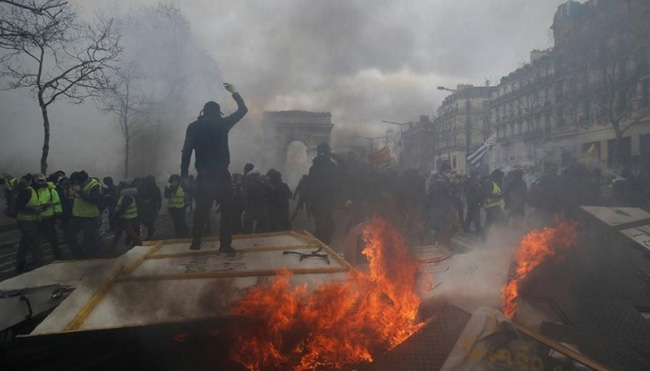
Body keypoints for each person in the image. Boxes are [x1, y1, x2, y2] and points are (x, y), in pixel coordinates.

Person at [181, 82, 248, 252]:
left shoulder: (193, 127)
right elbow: (243, 110)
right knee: (227, 209)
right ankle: (225, 244)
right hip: (221, 174)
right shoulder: (223, 124)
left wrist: (183, 174)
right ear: (218, 112)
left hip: (203, 174)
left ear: (203, 113)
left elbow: (186, 151)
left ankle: (196, 243)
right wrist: (234, 92)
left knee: (201, 210)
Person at [307, 143, 344, 244]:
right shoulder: (328, 167)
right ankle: (319, 247)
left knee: (323, 227)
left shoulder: (315, 168)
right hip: (323, 202)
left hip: (320, 202)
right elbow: (338, 181)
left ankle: (318, 246)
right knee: (325, 228)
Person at [65, 171, 103, 258]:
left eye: (77, 183)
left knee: (88, 240)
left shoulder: (94, 185)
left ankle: (93, 258)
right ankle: (79, 255)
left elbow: (94, 200)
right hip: (77, 216)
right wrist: (71, 194)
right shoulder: (76, 184)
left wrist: (80, 191)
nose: (75, 184)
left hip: (90, 217)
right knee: (68, 236)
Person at [15, 174, 43, 273]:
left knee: (24, 243)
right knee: (33, 242)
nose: (41, 183)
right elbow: (20, 206)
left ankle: (20, 264)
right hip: (26, 220)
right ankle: (38, 262)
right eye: (39, 181)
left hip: (30, 220)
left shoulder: (33, 191)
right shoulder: (27, 191)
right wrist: (34, 210)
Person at [108, 182, 143, 255]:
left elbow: (123, 209)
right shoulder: (126, 196)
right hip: (125, 218)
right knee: (118, 233)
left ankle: (140, 247)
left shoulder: (126, 197)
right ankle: (112, 248)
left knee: (131, 234)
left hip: (126, 219)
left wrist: (115, 215)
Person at [34, 174, 63, 259]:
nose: (40, 182)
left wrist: (58, 217)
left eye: (42, 180)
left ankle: (58, 257)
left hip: (48, 219)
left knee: (53, 240)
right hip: (35, 219)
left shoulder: (51, 191)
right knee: (32, 240)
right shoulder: (32, 190)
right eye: (38, 181)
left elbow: (57, 204)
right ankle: (37, 258)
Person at [242, 169, 271, 233]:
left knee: (262, 224)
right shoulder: (248, 184)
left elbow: (265, 193)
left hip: (259, 206)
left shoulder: (260, 183)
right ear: (251, 176)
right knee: (248, 225)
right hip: (251, 206)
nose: (257, 177)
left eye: (257, 175)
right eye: (255, 175)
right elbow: (245, 195)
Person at [481, 169, 505, 239]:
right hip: (491, 207)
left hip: (495, 206)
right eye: (501, 177)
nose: (501, 179)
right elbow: (488, 195)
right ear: (497, 176)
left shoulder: (496, 183)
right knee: (498, 221)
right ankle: (486, 238)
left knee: (491, 223)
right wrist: (500, 195)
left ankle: (487, 238)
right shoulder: (489, 183)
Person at [138, 175, 161, 240]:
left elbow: (159, 199)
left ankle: (149, 236)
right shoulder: (145, 188)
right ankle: (150, 232)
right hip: (145, 209)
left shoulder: (155, 189)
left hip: (151, 209)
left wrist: (157, 208)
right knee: (145, 221)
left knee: (150, 222)